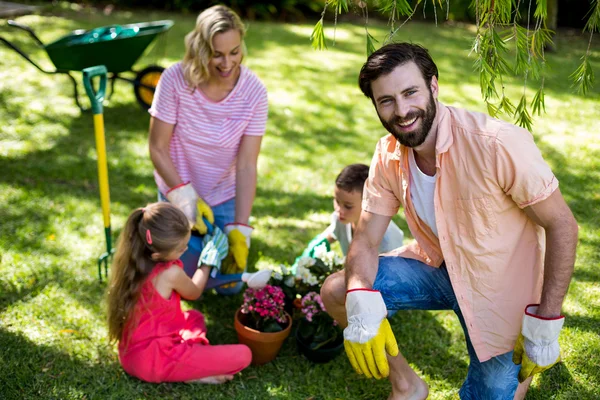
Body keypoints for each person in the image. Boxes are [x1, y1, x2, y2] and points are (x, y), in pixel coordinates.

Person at [320, 43, 578, 400]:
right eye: (386, 100)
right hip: (439, 268)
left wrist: (546, 320)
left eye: (410, 92)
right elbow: (364, 240)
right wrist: (361, 300)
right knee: (340, 292)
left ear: (434, 86)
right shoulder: (388, 154)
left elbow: (562, 224)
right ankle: (407, 385)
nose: (402, 110)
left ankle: (514, 373)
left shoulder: (497, 143)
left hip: (501, 291)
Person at [148, 5, 268, 294]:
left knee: (228, 285)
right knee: (179, 277)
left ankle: (217, 239)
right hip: (177, 189)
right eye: (217, 54)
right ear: (201, 50)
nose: (228, 63)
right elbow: (157, 147)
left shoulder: (254, 91)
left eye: (235, 52)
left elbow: (247, 165)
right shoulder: (175, 80)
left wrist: (240, 227)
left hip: (222, 193)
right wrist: (183, 196)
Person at [106, 202, 252, 383]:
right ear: (158, 255)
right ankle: (189, 373)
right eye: (181, 248)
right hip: (156, 360)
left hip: (131, 353)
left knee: (194, 317)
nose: (185, 250)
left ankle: (189, 364)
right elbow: (194, 292)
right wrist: (207, 262)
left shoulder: (132, 264)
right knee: (244, 354)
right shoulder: (170, 273)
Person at [296, 163, 404, 261]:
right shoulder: (341, 220)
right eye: (337, 201)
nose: (339, 210)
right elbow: (327, 237)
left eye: (348, 206)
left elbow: (393, 274)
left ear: (369, 203)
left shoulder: (386, 238)